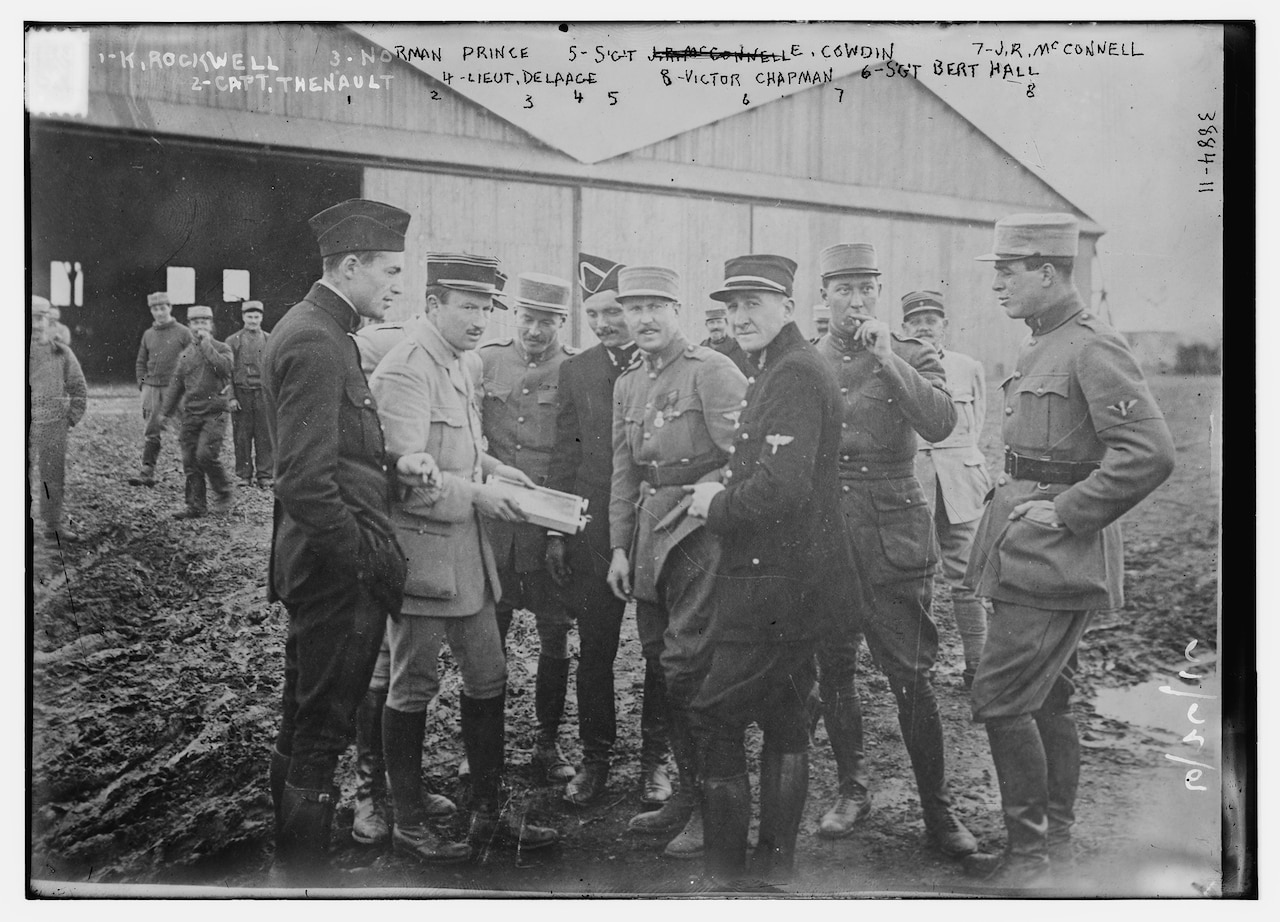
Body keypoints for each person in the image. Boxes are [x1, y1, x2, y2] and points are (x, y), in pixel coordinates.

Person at [963, 214, 1175, 888]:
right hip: (1027, 551)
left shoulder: (1089, 347)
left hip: (1056, 558)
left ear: (1049, 272)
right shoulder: (1043, 344)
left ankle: (1029, 860)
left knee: (1000, 696)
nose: (997, 283)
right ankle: (1053, 839)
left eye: (1008, 270)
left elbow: (1149, 452)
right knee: (1048, 697)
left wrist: (1067, 509)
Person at [370, 252, 560, 863]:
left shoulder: (456, 362)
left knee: (490, 676)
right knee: (412, 685)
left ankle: (488, 814)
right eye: (468, 306)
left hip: (468, 561)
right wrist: (484, 494)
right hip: (423, 562)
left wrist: (499, 469)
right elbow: (404, 480)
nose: (480, 319)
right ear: (432, 304)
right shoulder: (406, 369)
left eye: (486, 308)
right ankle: (407, 819)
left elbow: (459, 451)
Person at [261, 198, 421, 884]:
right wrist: (362, 562)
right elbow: (303, 479)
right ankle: (304, 883)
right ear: (350, 266)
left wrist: (390, 467)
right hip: (335, 576)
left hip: (319, 564)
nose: (396, 285)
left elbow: (338, 457)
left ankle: (291, 869)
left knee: (304, 722)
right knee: (322, 731)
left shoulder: (325, 331)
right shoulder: (317, 340)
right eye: (389, 270)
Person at [685, 255, 859, 884]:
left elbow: (782, 489)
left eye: (754, 302)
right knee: (786, 711)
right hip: (794, 578)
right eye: (732, 306)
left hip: (777, 583)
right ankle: (774, 870)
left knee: (714, 714)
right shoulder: (780, 366)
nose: (740, 316)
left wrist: (716, 505)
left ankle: (729, 878)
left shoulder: (792, 374)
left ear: (787, 304)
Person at [811, 243, 977, 858]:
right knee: (834, 668)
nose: (856, 302)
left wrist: (887, 359)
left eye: (866, 289)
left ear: (878, 294)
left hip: (894, 534)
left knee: (912, 675)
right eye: (844, 290)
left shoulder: (910, 352)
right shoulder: (806, 358)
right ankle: (852, 790)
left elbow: (940, 425)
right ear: (823, 296)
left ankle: (939, 811)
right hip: (828, 535)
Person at [607, 265, 747, 860]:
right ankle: (686, 794)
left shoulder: (713, 372)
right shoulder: (628, 383)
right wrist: (617, 546)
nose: (642, 319)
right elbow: (623, 470)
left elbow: (745, 459)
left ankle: (711, 808)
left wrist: (708, 494)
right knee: (665, 667)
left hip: (699, 536)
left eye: (654, 307)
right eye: (632, 308)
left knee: (692, 666)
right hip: (647, 538)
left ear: (676, 309)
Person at [546, 255, 670, 809]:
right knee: (595, 651)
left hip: (661, 529)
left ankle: (654, 762)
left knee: (660, 651)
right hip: (597, 529)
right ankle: (595, 760)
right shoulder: (577, 371)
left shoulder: (670, 366)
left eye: (613, 310)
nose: (602, 323)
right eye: (593, 313)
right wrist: (556, 530)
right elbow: (563, 455)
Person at [479, 272, 579, 785]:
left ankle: (547, 741)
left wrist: (562, 533)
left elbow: (578, 454)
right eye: (528, 318)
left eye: (546, 320)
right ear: (513, 316)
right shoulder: (486, 361)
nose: (535, 330)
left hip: (548, 531)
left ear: (561, 321)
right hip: (495, 527)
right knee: (486, 637)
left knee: (554, 636)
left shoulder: (576, 370)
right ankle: (484, 745)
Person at [902, 290, 992, 688]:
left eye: (932, 318)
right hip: (916, 479)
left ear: (945, 325)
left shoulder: (968, 366)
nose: (924, 325)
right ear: (904, 328)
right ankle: (920, 668)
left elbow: (979, 421)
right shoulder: (899, 365)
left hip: (960, 479)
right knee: (915, 576)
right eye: (916, 320)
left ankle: (978, 667)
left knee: (965, 574)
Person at [161, 305, 235, 520]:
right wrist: (165, 413)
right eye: (195, 322)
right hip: (192, 414)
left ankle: (223, 492)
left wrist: (206, 345)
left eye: (204, 322)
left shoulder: (223, 348)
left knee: (206, 454)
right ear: (189, 325)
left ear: (211, 325)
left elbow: (224, 369)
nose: (199, 326)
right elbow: (176, 385)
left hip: (218, 412)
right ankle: (195, 506)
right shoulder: (185, 355)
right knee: (190, 460)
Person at [29, 295, 87, 544]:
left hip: (53, 424)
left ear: (48, 320)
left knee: (52, 476)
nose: (35, 324)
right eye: (30, 317)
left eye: (40, 318)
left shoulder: (61, 352)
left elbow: (78, 388)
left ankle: (52, 525)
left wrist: (69, 420)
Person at [129, 292, 192, 486]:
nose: (160, 312)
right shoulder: (148, 334)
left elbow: (193, 359)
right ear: (151, 311)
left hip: (177, 389)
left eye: (163, 308)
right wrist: (143, 383)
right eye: (155, 309)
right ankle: (147, 471)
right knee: (152, 430)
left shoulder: (183, 332)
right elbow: (141, 361)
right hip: (152, 389)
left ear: (170, 308)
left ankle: (192, 473)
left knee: (186, 429)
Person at [226, 300, 273, 488]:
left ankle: (265, 475)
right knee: (242, 436)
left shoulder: (270, 339)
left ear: (261, 317)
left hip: (263, 394)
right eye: (249, 316)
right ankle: (244, 475)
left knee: (265, 436)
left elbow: (275, 370)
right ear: (243, 317)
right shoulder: (233, 341)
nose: (253, 320)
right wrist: (231, 397)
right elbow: (226, 372)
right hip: (241, 394)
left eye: (256, 317)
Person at [700, 304, 754, 377]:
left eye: (719, 322)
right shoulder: (701, 349)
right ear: (706, 325)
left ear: (726, 324)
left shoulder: (739, 348)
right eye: (711, 323)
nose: (715, 327)